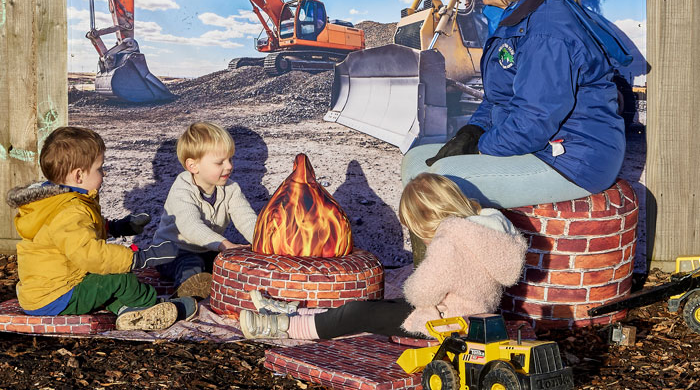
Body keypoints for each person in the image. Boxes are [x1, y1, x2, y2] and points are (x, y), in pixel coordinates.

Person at [402, 0, 631, 209]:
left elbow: (534, 120)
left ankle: (473, 251)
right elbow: (500, 97)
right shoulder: (517, 19)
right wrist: (471, 131)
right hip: (540, 145)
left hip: (572, 158)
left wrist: (480, 149)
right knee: (415, 163)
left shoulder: (547, 29)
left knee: (436, 188)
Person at [238, 172, 527, 340]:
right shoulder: (491, 230)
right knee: (378, 305)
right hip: (469, 318)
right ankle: (293, 311)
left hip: (445, 325)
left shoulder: (451, 242)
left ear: (429, 220)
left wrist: (416, 283)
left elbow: (420, 293)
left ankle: (286, 326)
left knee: (361, 313)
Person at [6, 126, 195, 331]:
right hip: (57, 296)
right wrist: (139, 258)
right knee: (119, 279)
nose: (103, 173)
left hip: (46, 290)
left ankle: (127, 310)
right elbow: (91, 255)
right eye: (99, 168)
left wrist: (118, 227)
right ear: (79, 175)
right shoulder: (71, 210)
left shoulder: (56, 201)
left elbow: (84, 233)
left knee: (105, 284)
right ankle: (152, 306)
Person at [152, 122, 258, 299]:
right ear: (193, 166)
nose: (229, 166)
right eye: (220, 162)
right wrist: (225, 244)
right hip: (172, 251)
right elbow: (190, 227)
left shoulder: (231, 189)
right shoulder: (182, 190)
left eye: (230, 159)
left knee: (230, 263)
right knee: (191, 265)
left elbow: (246, 218)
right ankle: (184, 301)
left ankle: (234, 293)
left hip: (206, 250)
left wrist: (262, 241)